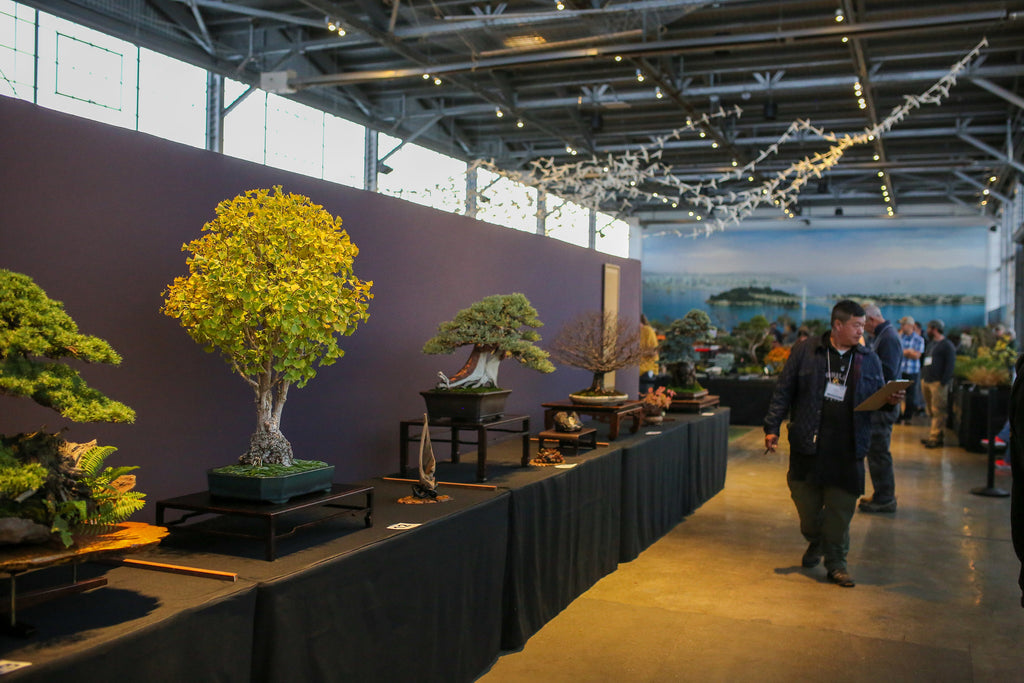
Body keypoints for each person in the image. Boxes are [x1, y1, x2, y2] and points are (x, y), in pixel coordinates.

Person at [764, 300, 897, 588]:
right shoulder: (806, 350)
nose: (862, 331)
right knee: (807, 510)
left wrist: (890, 402)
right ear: (837, 325)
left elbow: (879, 400)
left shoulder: (868, 357)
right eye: (857, 325)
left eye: (864, 325)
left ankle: (837, 562)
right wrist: (771, 427)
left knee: (840, 509)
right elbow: (783, 390)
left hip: (849, 447)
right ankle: (817, 540)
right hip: (807, 444)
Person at [859, 304, 903, 513]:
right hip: (881, 403)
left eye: (862, 324)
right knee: (875, 451)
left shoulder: (888, 338)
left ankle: (885, 497)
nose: (862, 328)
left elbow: (886, 373)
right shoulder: (884, 335)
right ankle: (881, 494)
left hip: (884, 405)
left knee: (878, 451)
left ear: (872, 320)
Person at [920, 319, 956, 448]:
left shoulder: (947, 345)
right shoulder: (931, 343)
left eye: (929, 328)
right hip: (926, 380)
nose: (927, 331)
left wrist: (943, 382)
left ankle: (934, 437)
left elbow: (950, 365)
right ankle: (935, 435)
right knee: (930, 410)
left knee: (938, 410)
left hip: (937, 383)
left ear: (935, 329)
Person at [898, 316, 925, 422]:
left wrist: (905, 352)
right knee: (897, 394)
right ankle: (898, 416)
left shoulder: (919, 339)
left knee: (911, 396)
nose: (901, 327)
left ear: (910, 326)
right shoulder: (899, 337)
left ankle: (907, 416)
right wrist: (908, 351)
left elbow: (917, 356)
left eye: (903, 324)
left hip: (912, 371)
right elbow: (897, 352)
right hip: (900, 371)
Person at [639, 314, 659, 378]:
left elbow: (654, 352)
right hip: (636, 368)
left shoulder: (648, 331)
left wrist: (638, 354)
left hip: (647, 369)